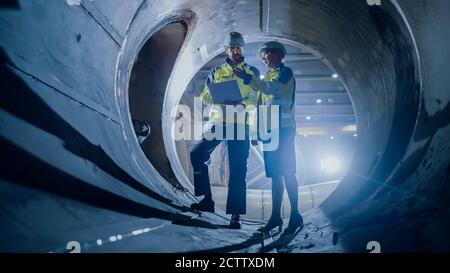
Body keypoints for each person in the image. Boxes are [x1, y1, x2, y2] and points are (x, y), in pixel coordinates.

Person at [190, 32, 260, 229]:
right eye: (232, 48)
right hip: (219, 123)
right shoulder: (216, 71)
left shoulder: (251, 72)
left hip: (240, 124)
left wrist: (239, 103)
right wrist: (218, 98)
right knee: (197, 153)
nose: (236, 51)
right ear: (226, 50)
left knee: (238, 170)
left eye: (238, 47)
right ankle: (207, 200)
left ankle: (235, 215)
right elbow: (204, 95)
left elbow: (255, 98)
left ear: (242, 48)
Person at [233, 41, 303, 234]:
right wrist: (257, 132)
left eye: (268, 54)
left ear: (279, 55)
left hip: (284, 130)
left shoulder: (285, 73)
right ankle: (275, 218)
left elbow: (272, 89)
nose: (265, 58)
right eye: (263, 55)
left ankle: (295, 215)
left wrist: (249, 78)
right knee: (275, 175)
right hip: (270, 132)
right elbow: (260, 109)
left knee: (287, 172)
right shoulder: (267, 77)